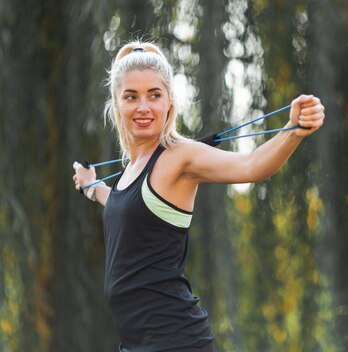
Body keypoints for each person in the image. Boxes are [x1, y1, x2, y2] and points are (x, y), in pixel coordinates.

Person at [72, 41, 325, 351]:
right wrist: (91, 187)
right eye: (131, 97)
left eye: (154, 95)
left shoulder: (180, 157)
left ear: (169, 102)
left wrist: (294, 129)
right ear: (116, 103)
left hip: (175, 341)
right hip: (137, 343)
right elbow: (121, 206)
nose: (143, 107)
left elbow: (251, 165)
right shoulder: (131, 170)